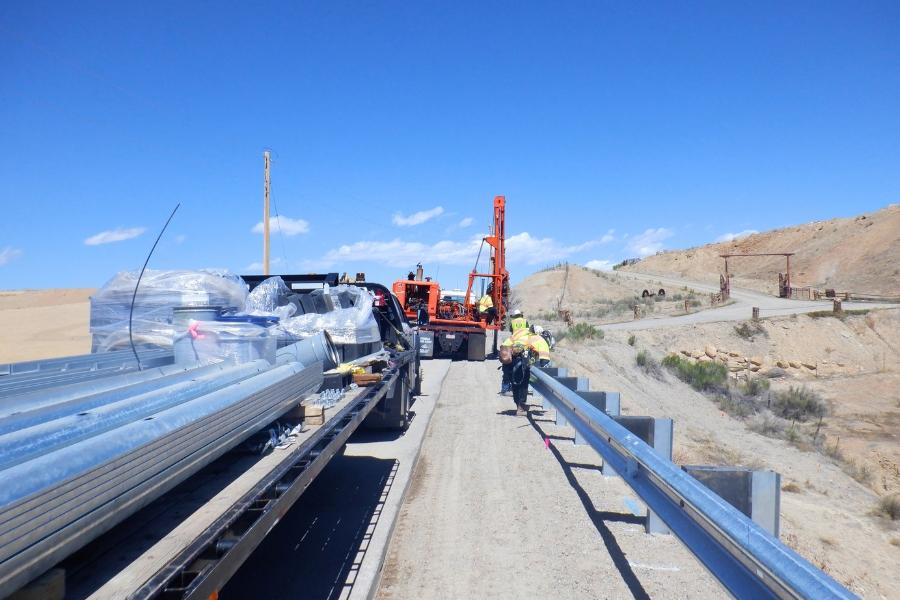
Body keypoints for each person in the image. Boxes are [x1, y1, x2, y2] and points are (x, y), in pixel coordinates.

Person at [498, 327, 530, 394]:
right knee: (511, 372)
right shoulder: (525, 337)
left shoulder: (517, 334)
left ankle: (505, 389)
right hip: (510, 353)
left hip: (505, 352)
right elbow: (518, 349)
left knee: (507, 372)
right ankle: (506, 389)